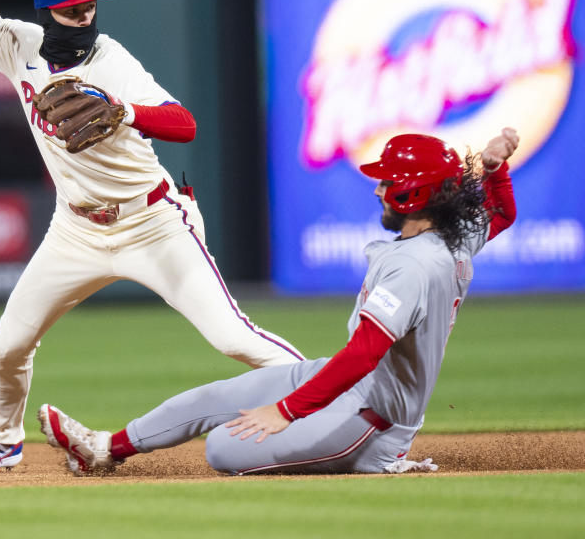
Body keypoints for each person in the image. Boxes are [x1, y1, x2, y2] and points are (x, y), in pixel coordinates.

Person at [0, 0, 304, 472]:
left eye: (90, 4)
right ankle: (3, 442)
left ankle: (333, 405)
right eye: (71, 10)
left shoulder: (113, 61)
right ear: (48, 13)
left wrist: (126, 110)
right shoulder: (19, 43)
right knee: (9, 344)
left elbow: (185, 125)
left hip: (152, 223)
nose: (85, 14)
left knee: (234, 337)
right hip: (74, 229)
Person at [38, 128, 519, 476]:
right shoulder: (453, 237)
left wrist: (285, 411)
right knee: (214, 399)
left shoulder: (415, 265)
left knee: (222, 449)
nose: (378, 189)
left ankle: (379, 463)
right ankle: (103, 450)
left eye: (388, 183)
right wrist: (495, 172)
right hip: (357, 390)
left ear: (414, 195)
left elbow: (364, 354)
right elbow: (500, 213)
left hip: (373, 421)